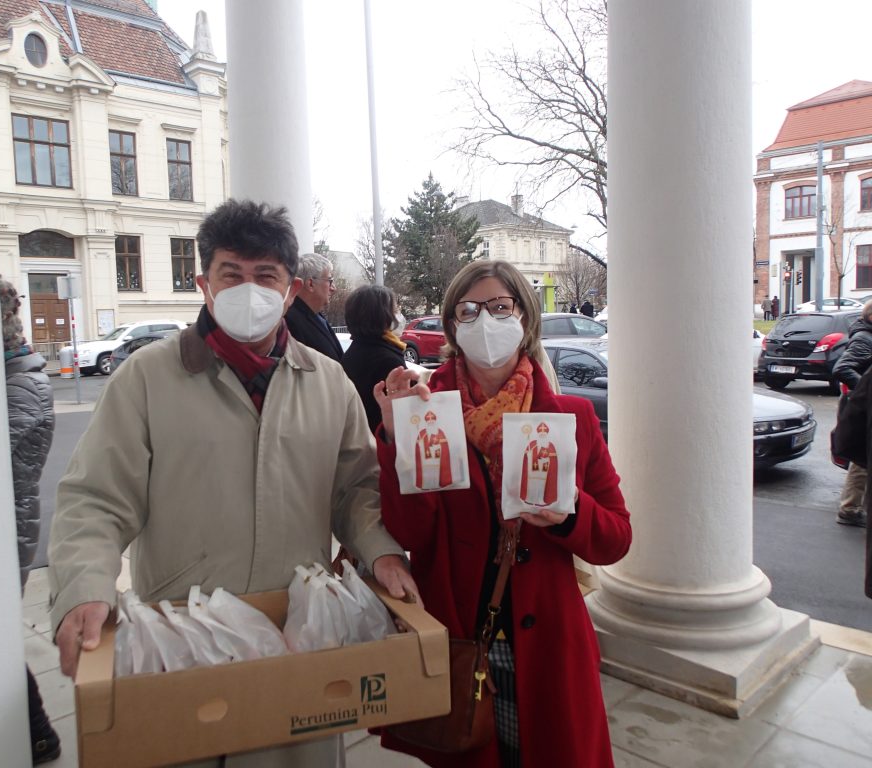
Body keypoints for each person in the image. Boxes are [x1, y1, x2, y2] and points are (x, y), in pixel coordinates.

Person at [48, 200, 418, 767]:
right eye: (232, 274)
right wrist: (83, 589)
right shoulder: (147, 379)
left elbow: (357, 491)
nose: (251, 290)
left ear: (291, 290)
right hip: (187, 641)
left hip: (297, 639)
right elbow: (96, 499)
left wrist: (382, 552)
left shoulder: (328, 384)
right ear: (204, 284)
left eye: (265, 276)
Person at [372, 260, 632, 768]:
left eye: (499, 307)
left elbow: (616, 538)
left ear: (525, 318)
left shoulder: (570, 418)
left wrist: (570, 513)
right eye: (467, 311)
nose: (484, 322)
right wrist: (394, 440)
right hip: (461, 634)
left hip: (548, 645)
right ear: (451, 326)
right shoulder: (427, 411)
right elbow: (411, 533)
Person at [0, 278, 59, 765]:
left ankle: (39, 734)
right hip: (8, 524)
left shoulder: (21, 384)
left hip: (9, 529)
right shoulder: (16, 377)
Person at [341, 284, 407, 433]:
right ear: (381, 316)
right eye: (395, 310)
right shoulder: (387, 361)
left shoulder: (354, 352)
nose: (399, 316)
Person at [833, 300, 872, 527]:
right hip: (861, 410)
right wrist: (865, 392)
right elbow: (842, 368)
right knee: (862, 460)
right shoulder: (865, 339)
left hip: (860, 407)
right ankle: (849, 509)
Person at [284, 252, 344, 361]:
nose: (333, 288)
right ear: (310, 284)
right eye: (330, 281)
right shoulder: (290, 321)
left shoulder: (315, 314)